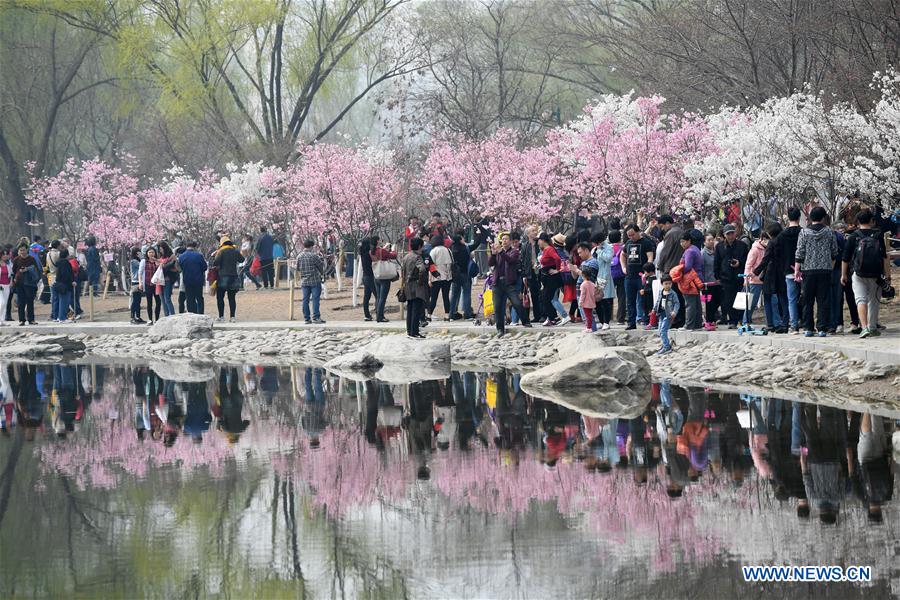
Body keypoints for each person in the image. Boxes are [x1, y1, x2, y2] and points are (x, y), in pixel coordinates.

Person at [842, 208, 890, 338]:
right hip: (876, 274)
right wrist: (887, 275)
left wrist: (843, 274)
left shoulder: (854, 236)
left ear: (858, 221)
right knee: (874, 301)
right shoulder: (878, 235)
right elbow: (884, 256)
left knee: (860, 300)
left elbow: (845, 258)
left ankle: (864, 328)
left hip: (858, 273)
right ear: (872, 221)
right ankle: (873, 327)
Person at [795, 206, 839, 337]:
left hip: (808, 270)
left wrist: (797, 268)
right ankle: (822, 328)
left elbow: (800, 251)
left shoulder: (804, 232)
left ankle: (808, 328)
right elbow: (834, 251)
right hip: (825, 270)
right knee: (823, 300)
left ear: (811, 217)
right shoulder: (829, 232)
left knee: (807, 300)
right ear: (823, 217)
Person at [488, 232, 531, 337]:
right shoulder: (498, 252)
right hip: (497, 283)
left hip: (508, 283)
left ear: (511, 241)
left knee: (516, 303)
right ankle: (500, 329)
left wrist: (501, 251)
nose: (504, 241)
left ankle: (525, 321)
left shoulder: (514, 252)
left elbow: (510, 260)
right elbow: (490, 263)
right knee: (498, 307)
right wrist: (493, 254)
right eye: (503, 239)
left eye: (506, 239)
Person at [753, 223, 788, 333]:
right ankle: (785, 323)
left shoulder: (772, 243)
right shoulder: (784, 241)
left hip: (771, 273)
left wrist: (755, 272)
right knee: (783, 299)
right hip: (783, 272)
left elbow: (766, 259)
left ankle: (770, 324)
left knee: (767, 298)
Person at [620, 225, 655, 330]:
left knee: (644, 299)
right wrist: (623, 267)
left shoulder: (646, 243)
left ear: (638, 232)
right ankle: (631, 322)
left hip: (641, 276)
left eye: (633, 234)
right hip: (629, 276)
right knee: (630, 301)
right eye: (629, 235)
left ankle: (646, 320)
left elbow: (650, 257)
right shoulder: (628, 243)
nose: (631, 237)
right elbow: (622, 255)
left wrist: (647, 271)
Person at [713, 224, 748, 328]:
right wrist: (717, 276)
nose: (731, 236)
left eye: (732, 233)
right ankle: (732, 320)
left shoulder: (742, 245)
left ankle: (741, 319)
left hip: (739, 276)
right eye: (728, 234)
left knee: (740, 299)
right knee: (728, 300)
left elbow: (747, 260)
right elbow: (717, 262)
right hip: (726, 277)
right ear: (724, 235)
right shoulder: (719, 246)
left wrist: (739, 263)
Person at [537, 233, 567, 326]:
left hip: (552, 278)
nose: (538, 242)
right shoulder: (545, 250)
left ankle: (562, 316)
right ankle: (551, 318)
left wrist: (557, 270)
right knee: (547, 298)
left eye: (539, 240)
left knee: (548, 298)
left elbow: (557, 259)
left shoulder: (549, 249)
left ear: (542, 240)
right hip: (546, 277)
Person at [401, 237, 428, 338]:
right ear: (420, 246)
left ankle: (409, 331)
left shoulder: (406, 257)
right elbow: (422, 270)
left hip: (407, 285)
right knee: (417, 309)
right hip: (416, 285)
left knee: (410, 308)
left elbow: (402, 273)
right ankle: (415, 332)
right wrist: (420, 281)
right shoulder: (417, 257)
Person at [212, 236, 242, 322]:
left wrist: (215, 256)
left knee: (220, 297)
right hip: (233, 277)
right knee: (232, 298)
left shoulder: (221, 251)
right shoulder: (235, 251)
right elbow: (242, 259)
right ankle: (232, 317)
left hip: (222, 277)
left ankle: (221, 317)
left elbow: (215, 262)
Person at [743, 231, 769, 326]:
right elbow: (748, 265)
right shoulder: (754, 250)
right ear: (762, 239)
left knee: (768, 302)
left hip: (765, 279)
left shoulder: (768, 249)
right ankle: (746, 321)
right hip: (755, 280)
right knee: (752, 303)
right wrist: (746, 278)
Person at [679, 233, 704, 330]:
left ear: (689, 241)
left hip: (691, 279)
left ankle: (689, 325)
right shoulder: (695, 249)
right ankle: (697, 324)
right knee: (696, 302)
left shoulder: (689, 251)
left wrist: (678, 271)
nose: (682, 244)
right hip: (698, 278)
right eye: (681, 242)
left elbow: (688, 266)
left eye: (683, 241)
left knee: (690, 303)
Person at [297, 239, 325, 324]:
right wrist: (323, 274)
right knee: (315, 299)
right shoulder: (314, 256)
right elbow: (321, 266)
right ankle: (316, 317)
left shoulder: (299, 256)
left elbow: (298, 268)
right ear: (311, 247)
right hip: (314, 280)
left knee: (305, 300)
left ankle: (307, 318)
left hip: (304, 281)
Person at [370, 237, 398, 323]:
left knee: (378, 297)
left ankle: (378, 314)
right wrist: (393, 249)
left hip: (377, 276)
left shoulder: (371, 251)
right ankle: (380, 317)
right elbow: (393, 256)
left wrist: (385, 249)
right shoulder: (382, 251)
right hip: (384, 276)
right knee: (383, 298)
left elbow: (381, 254)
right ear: (378, 241)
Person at [12, 243, 40, 325]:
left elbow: (36, 269)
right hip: (19, 283)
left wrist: (27, 269)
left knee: (30, 301)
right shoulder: (16, 259)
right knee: (21, 302)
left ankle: (31, 319)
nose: (22, 252)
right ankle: (21, 320)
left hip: (29, 283)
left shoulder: (31, 259)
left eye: (24, 250)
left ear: (27, 250)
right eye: (21, 250)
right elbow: (14, 270)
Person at [591, 232, 615, 330]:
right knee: (597, 301)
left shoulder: (609, 247)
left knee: (605, 300)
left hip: (604, 277)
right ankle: (600, 321)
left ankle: (606, 322)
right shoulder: (594, 249)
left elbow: (608, 258)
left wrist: (600, 250)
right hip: (595, 277)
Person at [449, 232, 475, 320]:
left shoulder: (451, 249)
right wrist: (479, 234)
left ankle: (451, 313)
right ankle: (467, 313)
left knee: (454, 295)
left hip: (455, 274)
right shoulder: (465, 249)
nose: (464, 240)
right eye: (463, 238)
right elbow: (476, 244)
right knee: (466, 293)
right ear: (460, 240)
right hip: (465, 273)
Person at [178, 241, 208, 314]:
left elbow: (180, 268)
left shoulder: (181, 256)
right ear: (195, 247)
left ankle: (192, 313)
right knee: (199, 297)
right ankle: (200, 313)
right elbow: (204, 267)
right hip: (198, 279)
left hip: (187, 280)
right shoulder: (199, 256)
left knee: (190, 298)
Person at [428, 234, 453, 320]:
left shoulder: (433, 251)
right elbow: (451, 263)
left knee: (434, 297)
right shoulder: (448, 250)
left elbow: (431, 266)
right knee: (446, 297)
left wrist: (429, 280)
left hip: (436, 277)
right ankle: (447, 315)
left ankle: (429, 315)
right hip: (447, 277)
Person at [654, 274, 680, 355]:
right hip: (661, 313)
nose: (668, 285)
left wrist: (674, 312)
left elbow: (677, 303)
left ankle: (666, 347)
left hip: (668, 315)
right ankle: (665, 344)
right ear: (662, 284)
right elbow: (657, 301)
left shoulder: (673, 294)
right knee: (660, 331)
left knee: (663, 330)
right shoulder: (661, 292)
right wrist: (654, 309)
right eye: (666, 283)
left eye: (669, 283)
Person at [51, 248, 76, 323]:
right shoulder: (66, 263)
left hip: (58, 283)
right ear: (67, 255)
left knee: (58, 301)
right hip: (65, 285)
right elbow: (66, 274)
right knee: (64, 301)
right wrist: (71, 281)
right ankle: (62, 318)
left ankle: (57, 317)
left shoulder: (58, 262)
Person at [138, 246, 161, 324]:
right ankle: (150, 319)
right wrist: (140, 282)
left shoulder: (157, 261)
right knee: (149, 302)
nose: (151, 254)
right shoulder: (144, 261)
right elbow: (140, 273)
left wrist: (157, 261)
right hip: (147, 284)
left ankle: (157, 319)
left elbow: (160, 270)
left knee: (158, 302)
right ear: (147, 253)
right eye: (149, 252)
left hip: (156, 285)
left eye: (153, 252)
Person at [609, 229, 626, 324]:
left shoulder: (607, 248)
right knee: (622, 297)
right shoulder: (623, 247)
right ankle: (620, 318)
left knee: (608, 297)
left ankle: (608, 317)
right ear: (620, 237)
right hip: (621, 274)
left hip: (610, 275)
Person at [157, 240, 178, 317]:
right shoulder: (160, 256)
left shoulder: (172, 257)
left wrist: (165, 267)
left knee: (167, 299)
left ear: (165, 248)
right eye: (159, 249)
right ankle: (166, 316)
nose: (160, 250)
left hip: (167, 280)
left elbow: (176, 269)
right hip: (160, 280)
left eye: (161, 249)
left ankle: (172, 316)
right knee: (162, 299)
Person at [359, 236, 377, 321]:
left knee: (366, 297)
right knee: (378, 296)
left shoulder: (363, 254)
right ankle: (379, 313)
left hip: (365, 277)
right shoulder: (368, 255)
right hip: (370, 277)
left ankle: (367, 315)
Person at [579, 265, 598, 332]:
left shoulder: (583, 284)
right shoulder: (592, 284)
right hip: (592, 302)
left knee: (587, 316)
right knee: (590, 315)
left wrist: (580, 302)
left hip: (586, 303)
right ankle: (589, 327)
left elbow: (582, 294)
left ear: (583, 275)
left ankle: (589, 327)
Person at [128, 247, 145, 324]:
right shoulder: (133, 261)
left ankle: (138, 316)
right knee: (135, 301)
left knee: (138, 301)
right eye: (139, 252)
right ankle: (132, 317)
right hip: (135, 282)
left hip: (139, 281)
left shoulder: (137, 260)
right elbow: (142, 265)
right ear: (136, 253)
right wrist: (142, 258)